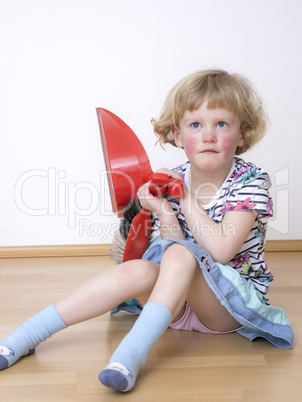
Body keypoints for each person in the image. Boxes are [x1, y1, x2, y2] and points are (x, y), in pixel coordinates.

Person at [0, 69, 293, 393]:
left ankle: (130, 355)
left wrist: (184, 196)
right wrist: (164, 210)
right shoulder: (177, 177)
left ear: (242, 134)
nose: (208, 135)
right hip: (178, 304)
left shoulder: (251, 183)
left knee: (183, 255)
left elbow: (221, 251)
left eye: (221, 124)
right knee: (137, 270)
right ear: (178, 135)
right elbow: (174, 249)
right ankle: (27, 335)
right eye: (196, 125)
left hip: (227, 307)